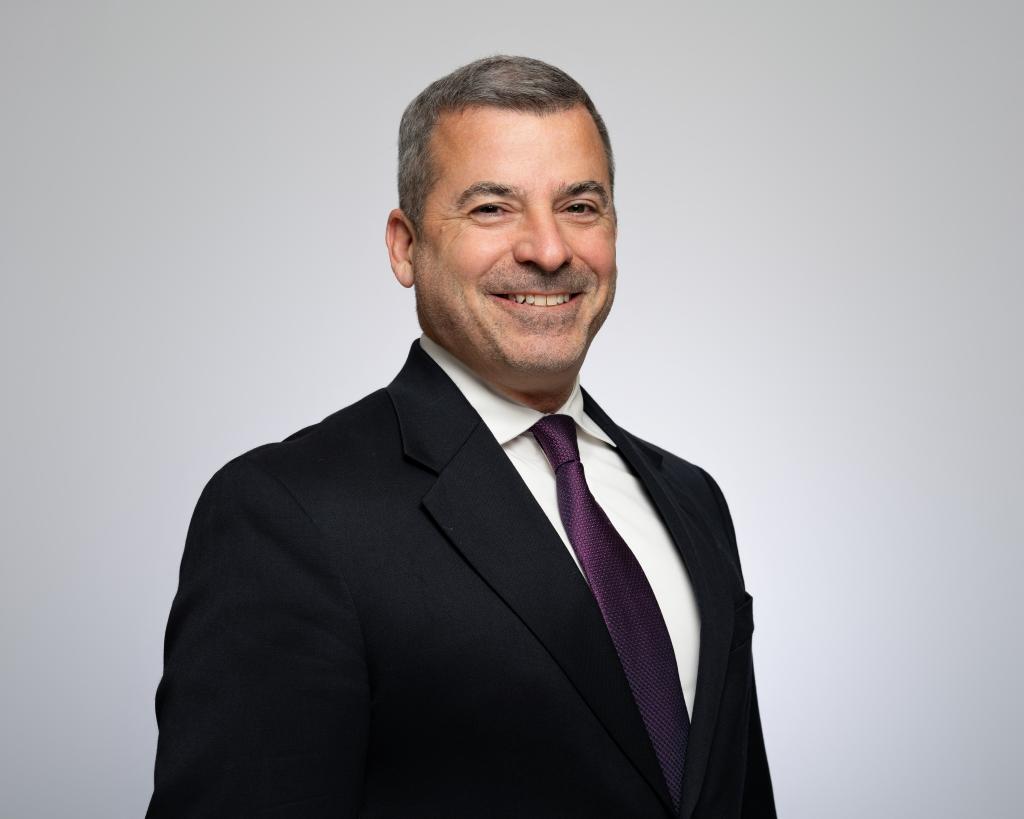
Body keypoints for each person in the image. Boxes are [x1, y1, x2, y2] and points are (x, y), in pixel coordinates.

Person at [147, 55, 775, 818]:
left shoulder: (692, 500)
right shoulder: (287, 516)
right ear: (404, 246)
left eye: (580, 206)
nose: (548, 250)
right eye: (491, 209)